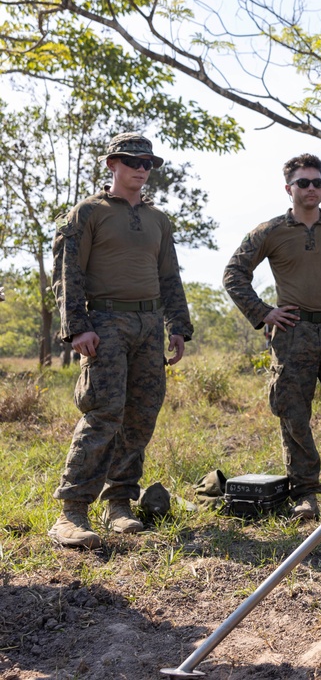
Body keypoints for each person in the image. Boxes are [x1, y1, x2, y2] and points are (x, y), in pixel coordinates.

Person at [48, 132, 192, 549]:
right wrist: (77, 327)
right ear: (113, 164)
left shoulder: (158, 219)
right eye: (132, 161)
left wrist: (178, 326)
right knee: (104, 412)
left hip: (150, 324)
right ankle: (71, 511)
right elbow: (67, 273)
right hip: (105, 322)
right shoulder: (87, 213)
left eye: (148, 163)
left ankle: (120, 503)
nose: (142, 168)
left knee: (142, 414)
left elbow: (170, 275)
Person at [223, 153, 321, 521]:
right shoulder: (270, 230)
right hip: (292, 335)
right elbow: (234, 274)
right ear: (288, 189)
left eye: (318, 182)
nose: (312, 189)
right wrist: (263, 313)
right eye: (304, 183)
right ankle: (306, 494)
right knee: (294, 416)